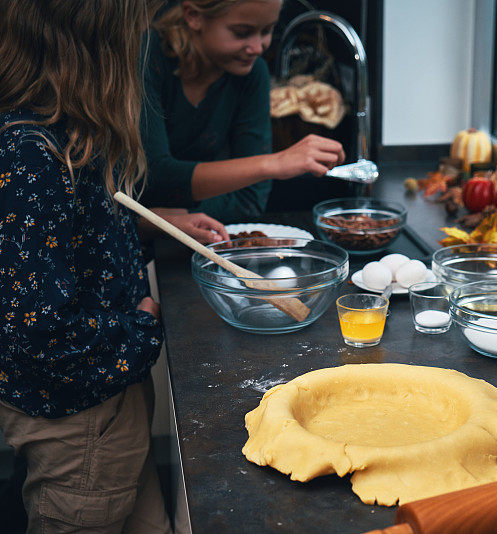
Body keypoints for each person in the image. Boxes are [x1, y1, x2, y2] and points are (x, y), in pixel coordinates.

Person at [0, 1, 226, 532]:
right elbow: (37, 331)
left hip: (106, 400)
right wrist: (142, 327)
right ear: (101, 47)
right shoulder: (31, 152)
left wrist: (152, 222)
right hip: (81, 419)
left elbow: (60, 243)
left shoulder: (61, 132)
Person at [140, 0, 346, 223]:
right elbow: (154, 178)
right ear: (193, 16)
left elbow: (250, 200)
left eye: (267, 31)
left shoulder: (252, 72)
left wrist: (172, 217)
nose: (258, 48)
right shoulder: (147, 58)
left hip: (194, 233)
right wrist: (274, 163)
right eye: (242, 33)